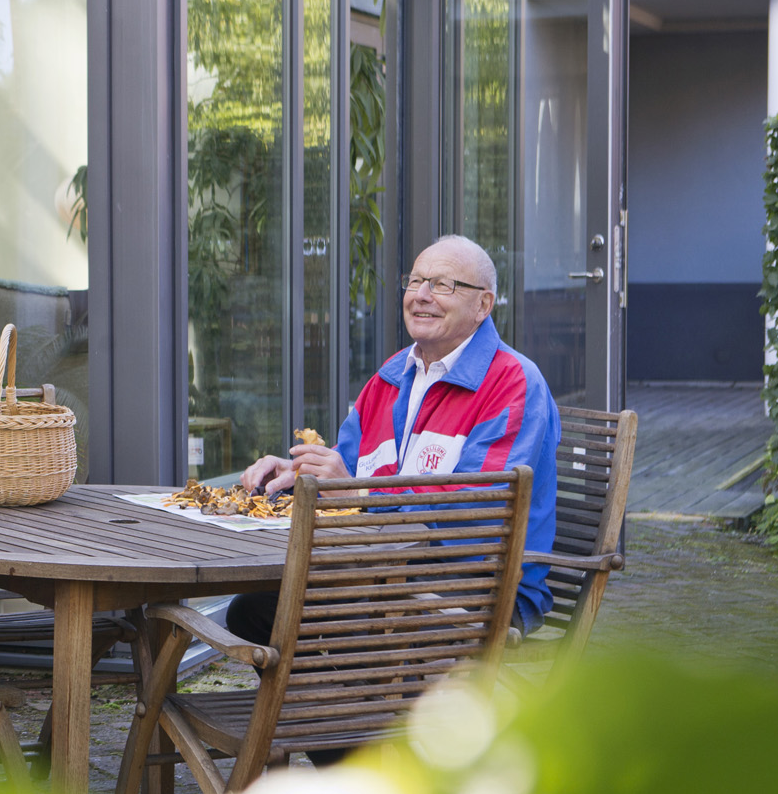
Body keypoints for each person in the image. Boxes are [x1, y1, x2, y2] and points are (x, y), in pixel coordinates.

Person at [231, 233, 560, 644]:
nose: (421, 295)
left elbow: (482, 509)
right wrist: (298, 471)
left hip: (478, 584)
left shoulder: (514, 383)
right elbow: (347, 466)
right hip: (389, 567)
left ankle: (361, 705)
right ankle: (352, 705)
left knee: (275, 613)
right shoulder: (391, 374)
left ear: (483, 305)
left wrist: (358, 497)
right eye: (415, 281)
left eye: (443, 285)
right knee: (254, 610)